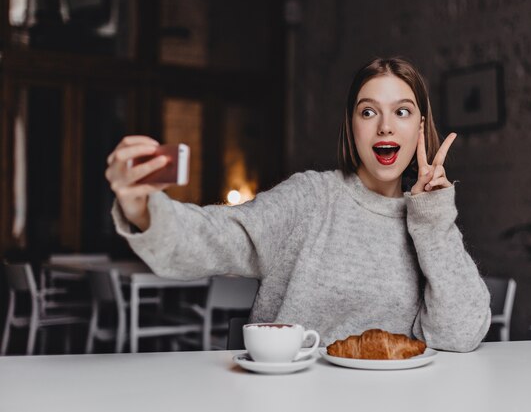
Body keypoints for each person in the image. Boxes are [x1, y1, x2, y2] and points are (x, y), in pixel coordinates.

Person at [106, 57, 491, 352]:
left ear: (420, 127)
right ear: (352, 126)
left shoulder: (429, 221)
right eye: (368, 111)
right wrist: (143, 209)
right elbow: (220, 236)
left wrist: (433, 216)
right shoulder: (311, 198)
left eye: (402, 112)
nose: (385, 127)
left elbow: (460, 334)